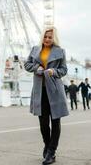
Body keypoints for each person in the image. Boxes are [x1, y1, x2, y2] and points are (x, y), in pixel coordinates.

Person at [24, 27, 69, 165]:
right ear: (42, 37)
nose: (47, 39)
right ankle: (47, 146)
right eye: (45, 36)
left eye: (50, 37)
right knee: (43, 124)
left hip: (55, 91)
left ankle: (51, 152)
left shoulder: (60, 51)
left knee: (55, 122)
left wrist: (53, 71)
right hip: (40, 91)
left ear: (54, 38)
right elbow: (26, 64)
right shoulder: (35, 50)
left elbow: (64, 70)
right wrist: (36, 68)